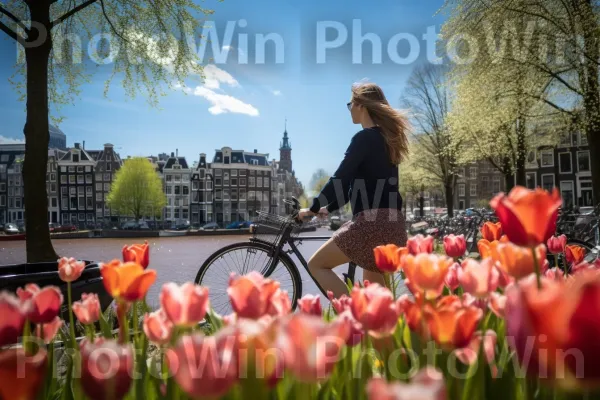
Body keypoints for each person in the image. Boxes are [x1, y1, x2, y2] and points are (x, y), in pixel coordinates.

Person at [297, 82, 410, 299]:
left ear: (360, 105)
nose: (349, 109)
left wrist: (311, 208)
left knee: (317, 265)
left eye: (350, 104)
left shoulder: (364, 138)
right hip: (393, 225)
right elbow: (351, 186)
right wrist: (327, 208)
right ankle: (371, 326)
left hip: (372, 225)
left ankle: (355, 316)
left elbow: (340, 177)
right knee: (378, 302)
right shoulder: (387, 141)